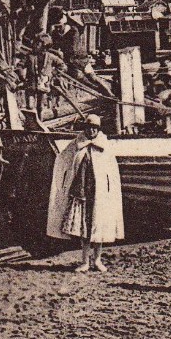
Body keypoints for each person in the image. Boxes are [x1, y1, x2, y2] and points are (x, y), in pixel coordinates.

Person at [46, 114, 124, 272]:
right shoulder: (76, 144)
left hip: (100, 194)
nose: (92, 131)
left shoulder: (105, 146)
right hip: (82, 193)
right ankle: (84, 261)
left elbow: (112, 172)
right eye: (89, 127)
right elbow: (62, 161)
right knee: (84, 229)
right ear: (85, 128)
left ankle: (97, 260)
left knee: (99, 227)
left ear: (98, 129)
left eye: (95, 128)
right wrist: (64, 182)